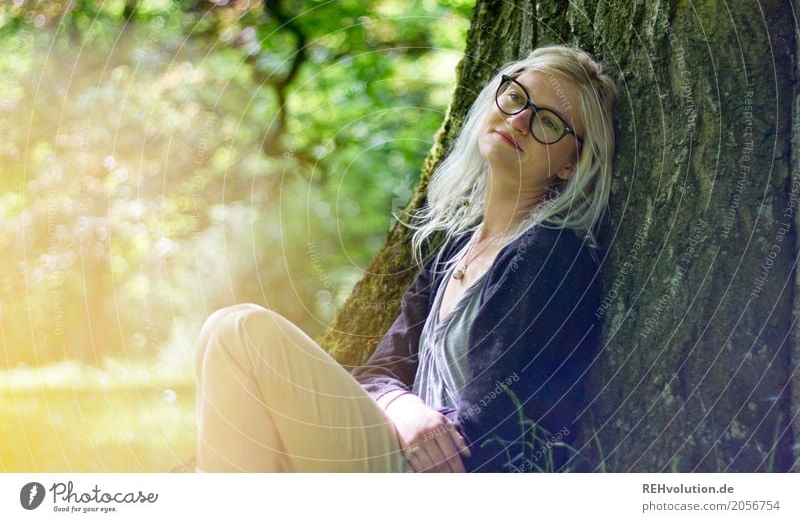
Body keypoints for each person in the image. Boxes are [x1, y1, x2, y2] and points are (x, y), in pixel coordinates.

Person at [194, 44, 618, 473]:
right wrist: (403, 406)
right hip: (399, 451)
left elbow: (496, 424)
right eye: (515, 97)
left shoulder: (548, 256)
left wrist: (419, 430)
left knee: (241, 332)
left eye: (548, 121)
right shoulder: (455, 248)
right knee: (226, 344)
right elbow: (379, 369)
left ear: (571, 164)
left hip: (446, 481)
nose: (519, 121)